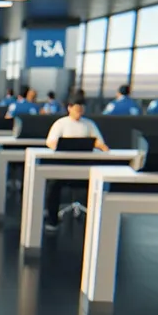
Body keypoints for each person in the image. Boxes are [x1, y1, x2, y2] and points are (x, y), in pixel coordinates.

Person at [43, 96, 109, 232]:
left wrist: (102, 147)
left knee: (100, 184)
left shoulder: (89, 124)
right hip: (63, 168)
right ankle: (52, 220)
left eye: (82, 110)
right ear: (69, 108)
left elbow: (99, 143)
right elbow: (50, 142)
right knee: (54, 184)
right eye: (77, 110)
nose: (80, 113)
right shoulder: (60, 124)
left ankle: (96, 221)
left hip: (85, 169)